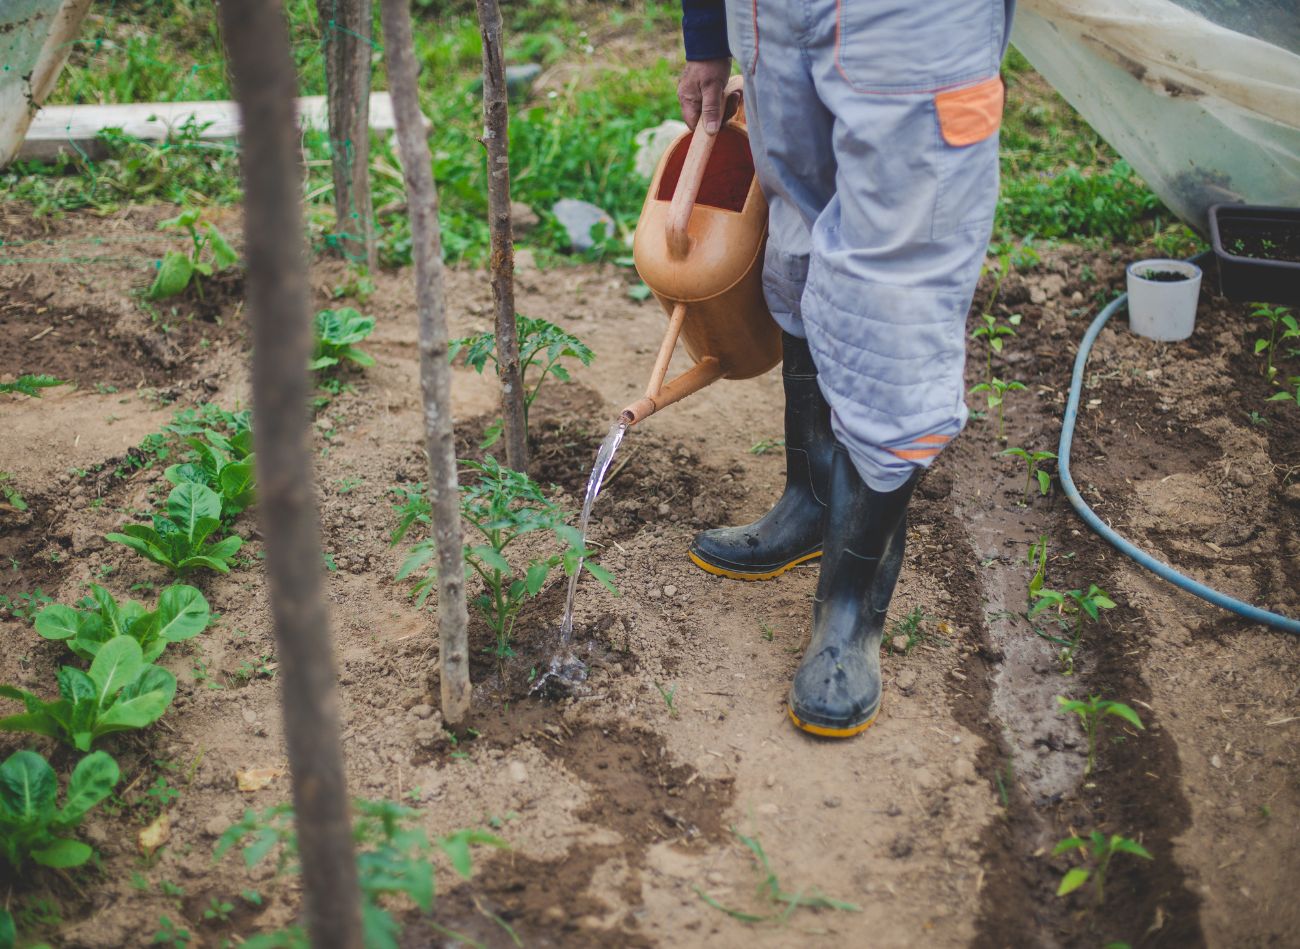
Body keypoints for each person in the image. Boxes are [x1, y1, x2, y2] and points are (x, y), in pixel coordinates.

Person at [677, 0, 1015, 737]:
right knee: (795, 246)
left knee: (890, 303)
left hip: (910, 21)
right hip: (770, 15)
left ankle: (850, 610)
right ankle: (810, 503)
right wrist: (706, 31)